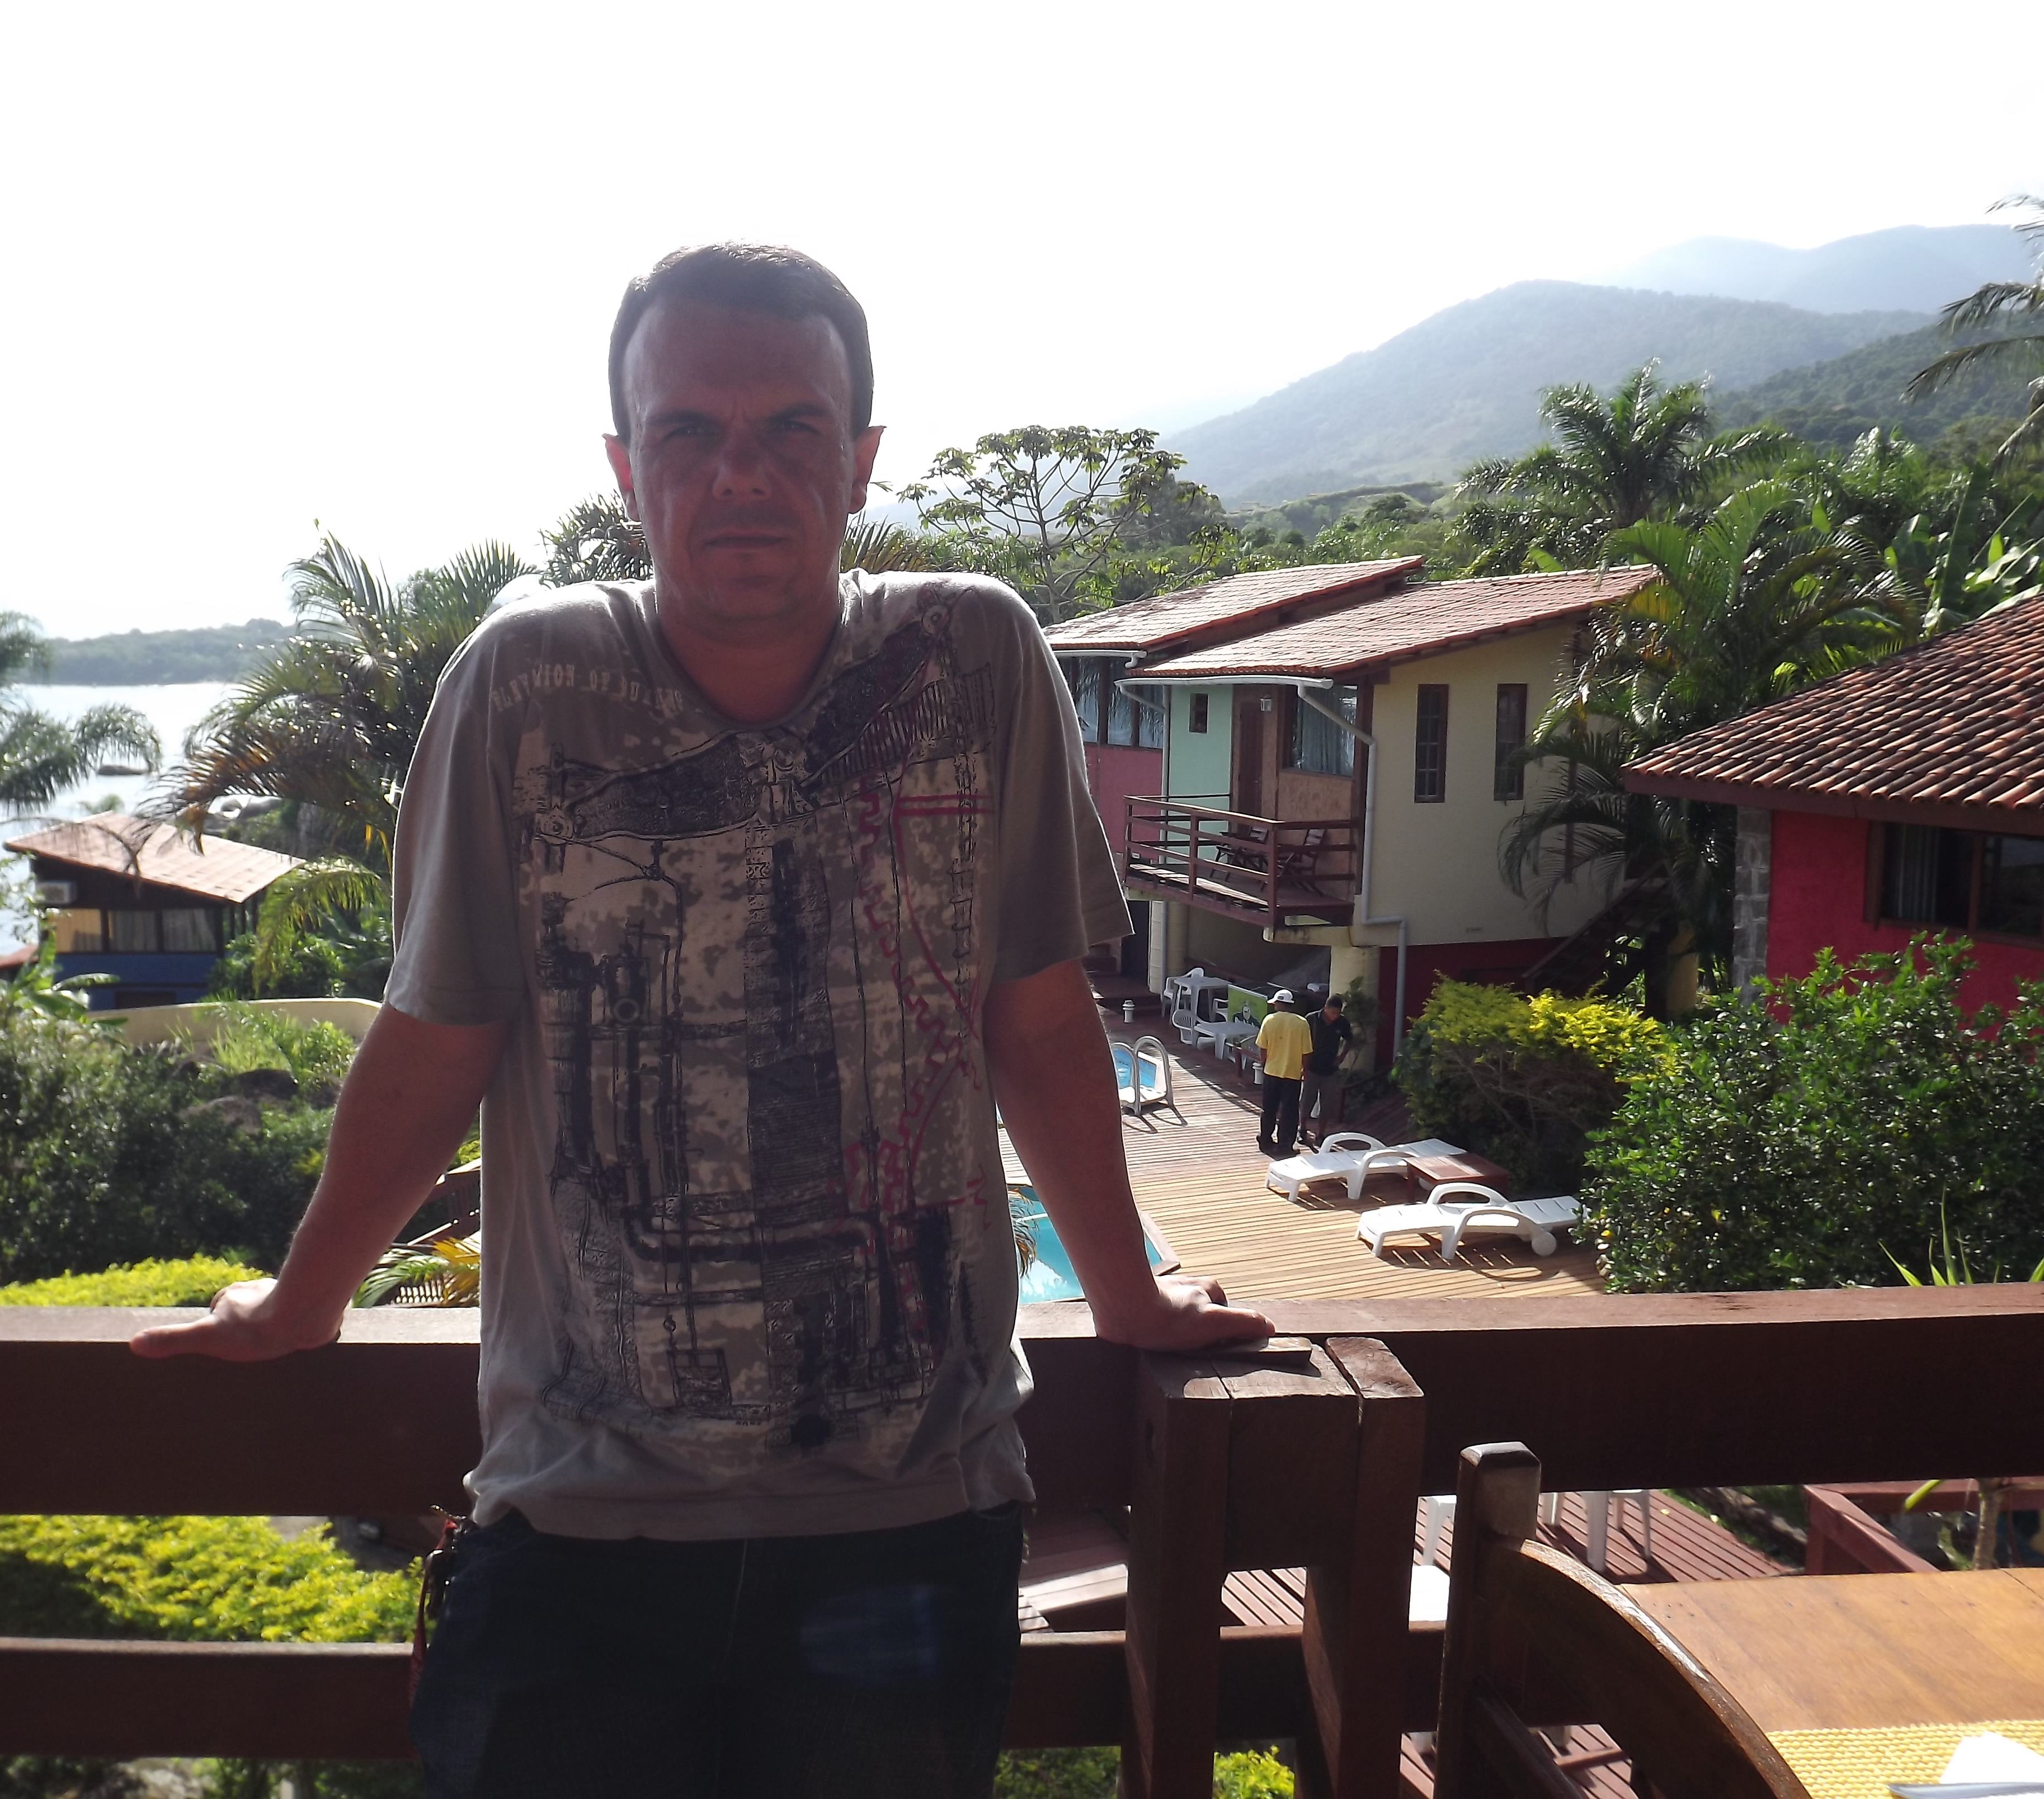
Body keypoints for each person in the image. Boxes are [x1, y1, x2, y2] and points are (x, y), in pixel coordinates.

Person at [131, 243, 1271, 1799]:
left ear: (861, 460)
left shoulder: (972, 656)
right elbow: (439, 1031)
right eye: (688, 431)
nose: (741, 473)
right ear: (625, 466)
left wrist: (1123, 1291)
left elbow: (1034, 1010)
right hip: (579, 1518)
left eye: (792, 428)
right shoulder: (523, 686)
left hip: (908, 1512)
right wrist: (305, 1301)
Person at [1254, 987, 1311, 1156]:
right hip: (1292, 1074)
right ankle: (1285, 1145)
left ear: (1278, 1004)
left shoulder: (1269, 1020)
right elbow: (1307, 1052)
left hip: (1272, 1071)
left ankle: (1265, 1139)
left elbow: (1263, 1047)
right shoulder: (1302, 1023)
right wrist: (1305, 1070)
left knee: (1269, 1108)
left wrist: (1265, 1063)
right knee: (1289, 1111)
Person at [1299, 992, 1355, 1150]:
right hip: (1312, 1068)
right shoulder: (1311, 1019)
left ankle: (1321, 1134)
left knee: (1327, 1104)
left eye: (1338, 1013)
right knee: (1307, 1101)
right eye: (1332, 1013)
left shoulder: (1342, 1022)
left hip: (1330, 1070)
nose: (1335, 1016)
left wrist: (1341, 1057)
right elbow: (1301, 1041)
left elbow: (1349, 1039)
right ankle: (1302, 1130)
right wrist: (1303, 1066)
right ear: (1325, 1008)